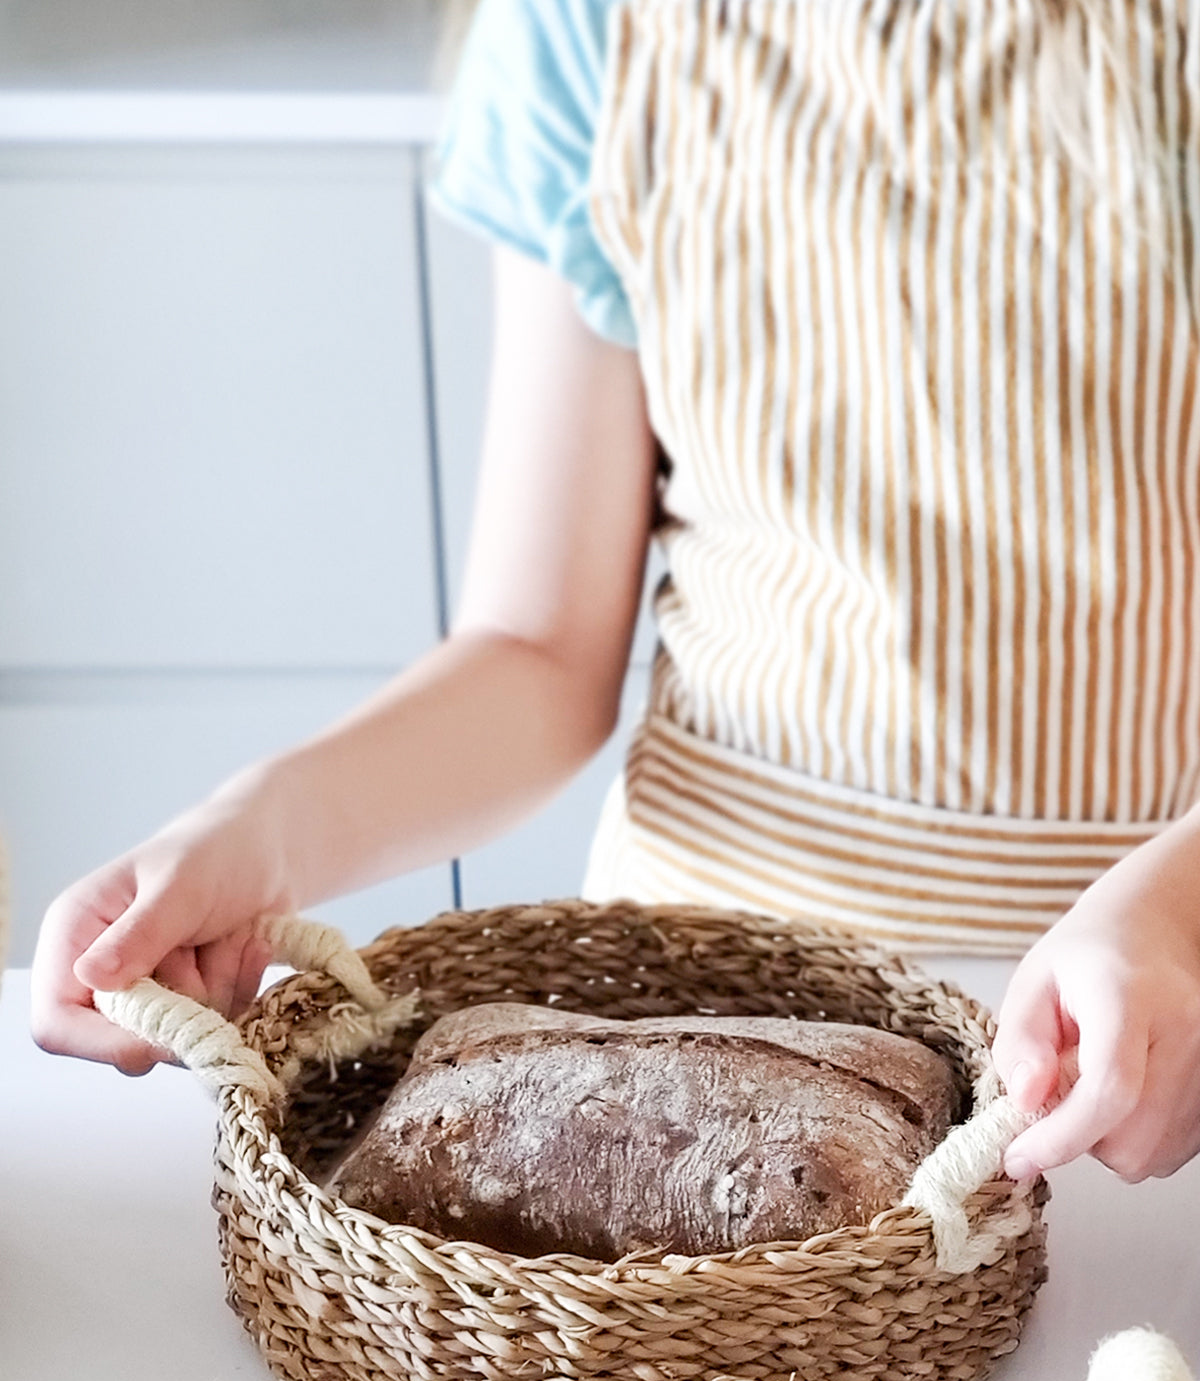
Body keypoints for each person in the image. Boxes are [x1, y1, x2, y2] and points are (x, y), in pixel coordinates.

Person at [29, 0, 1200, 1188]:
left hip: (1141, 1042)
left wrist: (1184, 914)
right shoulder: (590, 31)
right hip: (695, 1025)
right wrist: (252, 835)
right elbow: (537, 648)